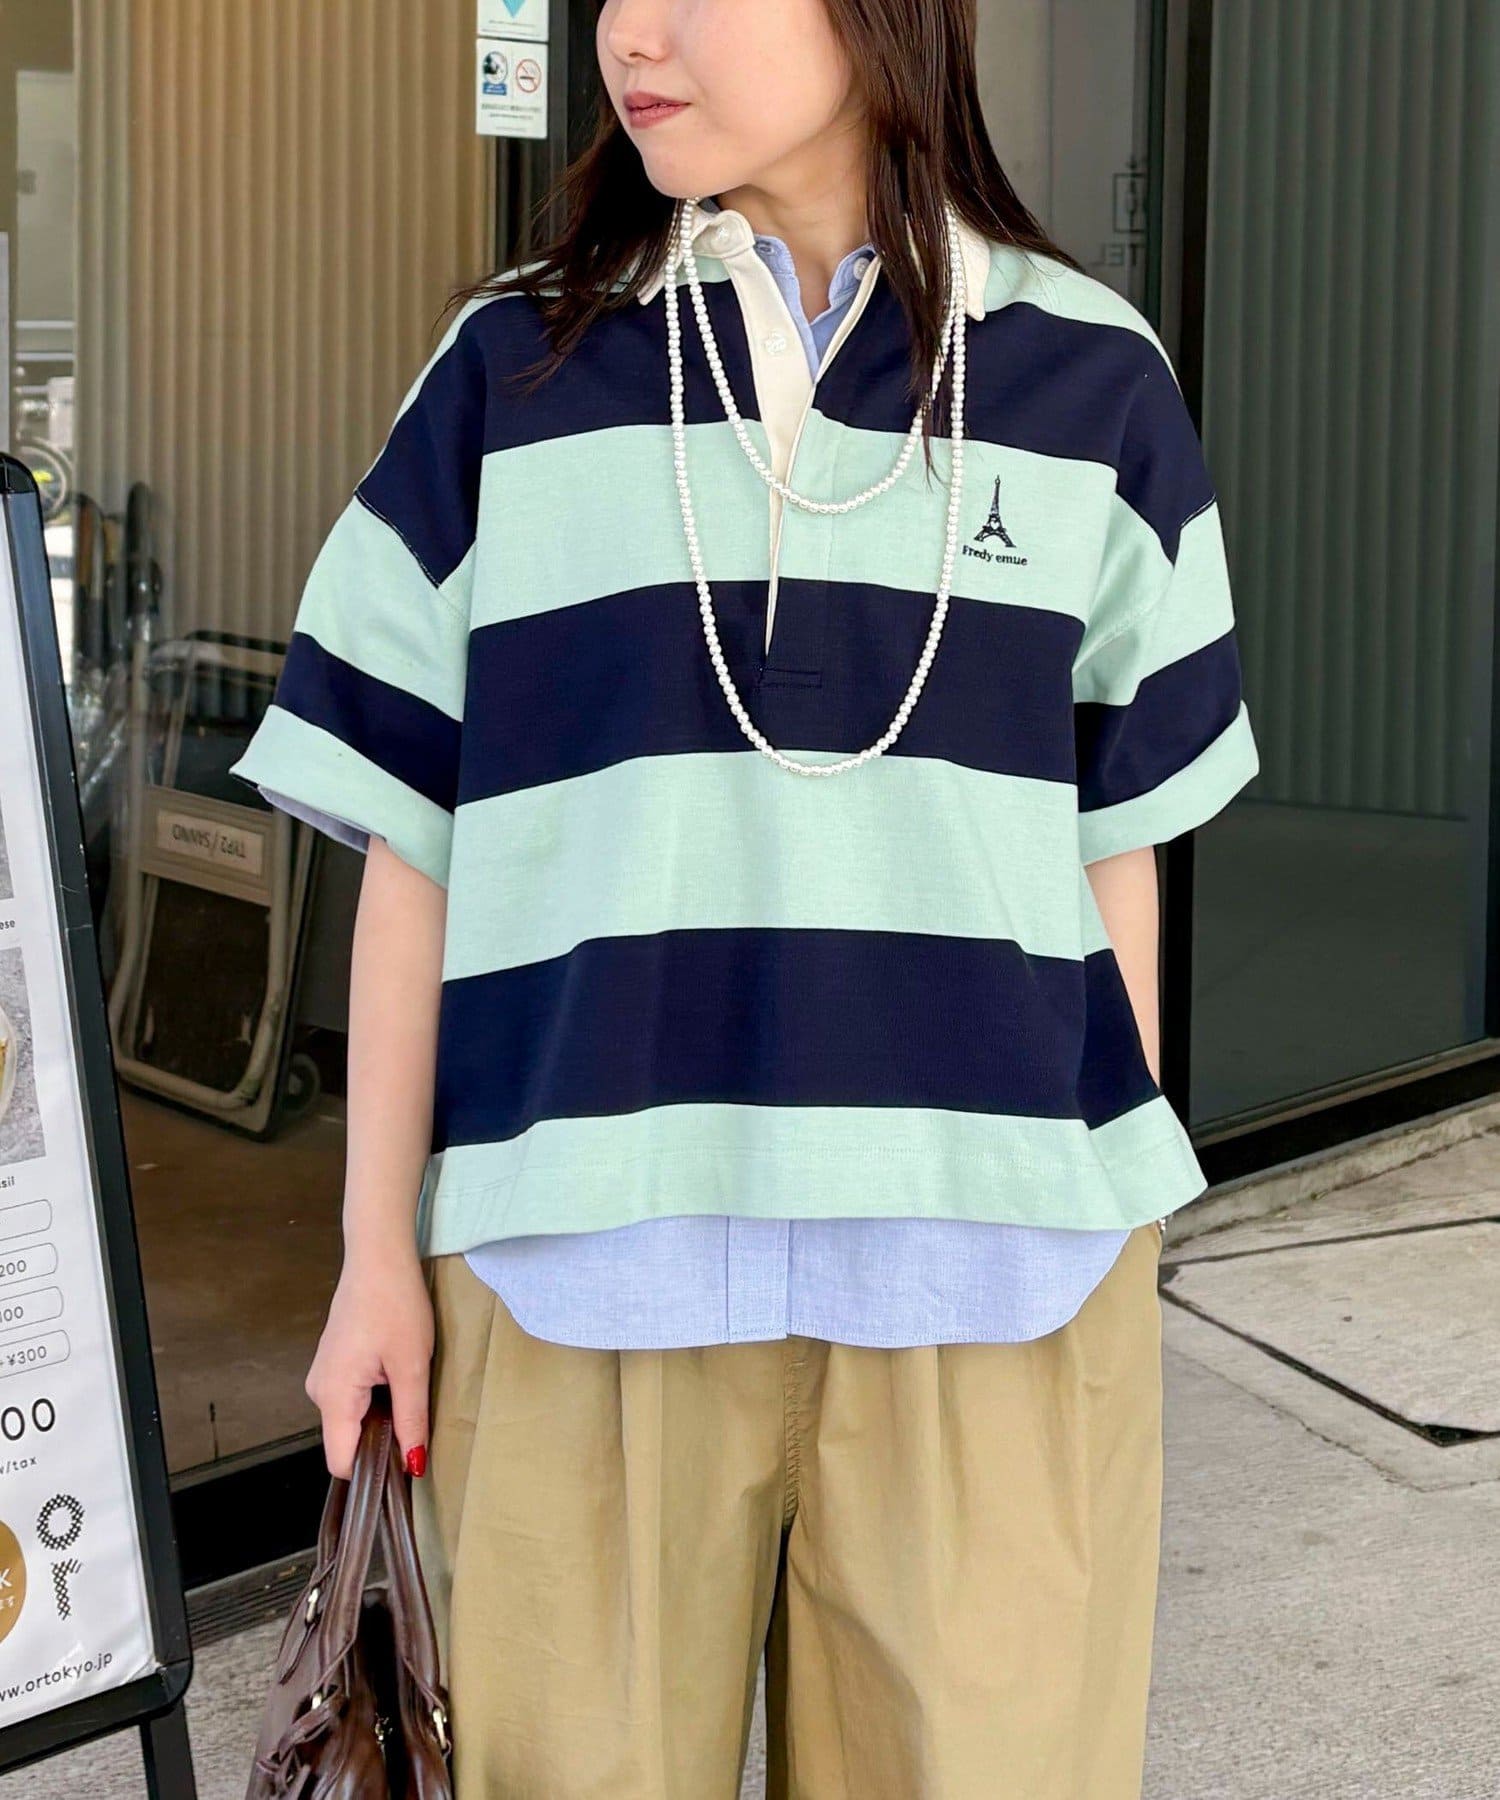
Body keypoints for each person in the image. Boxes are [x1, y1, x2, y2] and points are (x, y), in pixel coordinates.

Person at [229, 0, 1259, 1793]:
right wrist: (374, 1258)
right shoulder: (511, 371)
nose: (633, 32)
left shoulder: (1093, 379)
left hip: (996, 1276)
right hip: (581, 1274)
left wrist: (1123, 1218)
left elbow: (1121, 850)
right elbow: (413, 849)